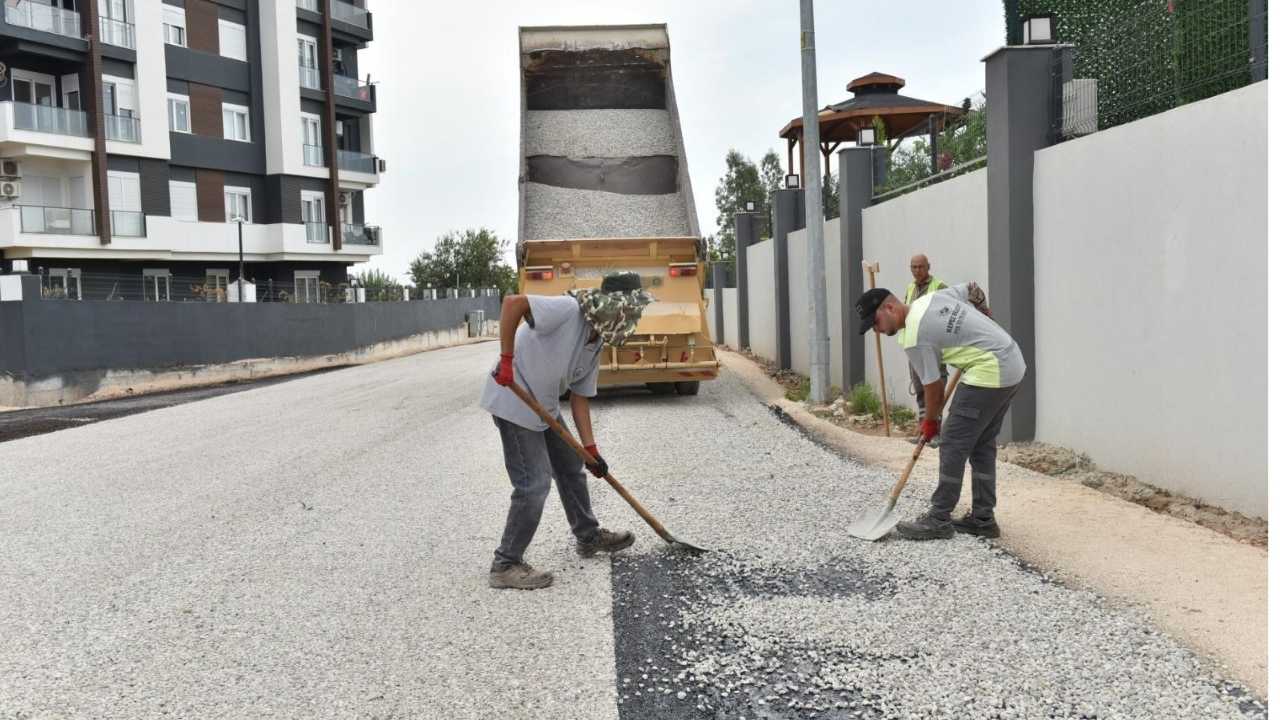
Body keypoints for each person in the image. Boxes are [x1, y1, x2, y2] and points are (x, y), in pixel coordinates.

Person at [479, 272, 654, 590]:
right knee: (534, 485)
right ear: (616, 306)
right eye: (632, 309)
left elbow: (580, 398)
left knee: (572, 467)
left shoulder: (596, 340)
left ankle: (588, 538)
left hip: (543, 405)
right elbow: (513, 304)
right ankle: (505, 564)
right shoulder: (568, 309)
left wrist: (590, 449)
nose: (635, 317)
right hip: (514, 399)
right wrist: (506, 359)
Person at [856, 282, 1022, 540]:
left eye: (875, 322)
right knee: (981, 445)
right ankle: (983, 519)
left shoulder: (913, 336)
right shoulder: (931, 299)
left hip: (989, 370)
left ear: (890, 307)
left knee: (953, 443)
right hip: (1012, 362)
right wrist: (983, 310)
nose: (876, 330)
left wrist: (931, 422)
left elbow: (933, 387)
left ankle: (939, 518)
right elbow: (971, 288)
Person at [902, 254, 948, 434]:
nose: (917, 271)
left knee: (935, 387)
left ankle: (936, 430)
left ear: (928, 267)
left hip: (933, 346)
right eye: (913, 267)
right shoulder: (910, 288)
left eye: (920, 267)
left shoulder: (939, 287)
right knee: (920, 388)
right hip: (915, 345)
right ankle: (924, 430)